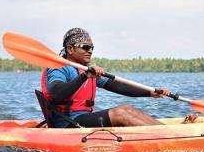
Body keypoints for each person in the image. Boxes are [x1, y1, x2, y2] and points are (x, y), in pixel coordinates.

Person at [41, 27, 173, 128]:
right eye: (85, 47)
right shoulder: (58, 68)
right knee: (120, 113)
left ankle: (168, 132)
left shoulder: (86, 70)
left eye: (92, 47)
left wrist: (150, 92)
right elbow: (56, 93)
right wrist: (84, 77)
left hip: (82, 118)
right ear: (70, 49)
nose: (90, 51)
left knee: (127, 109)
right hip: (66, 123)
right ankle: (169, 138)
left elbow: (118, 86)